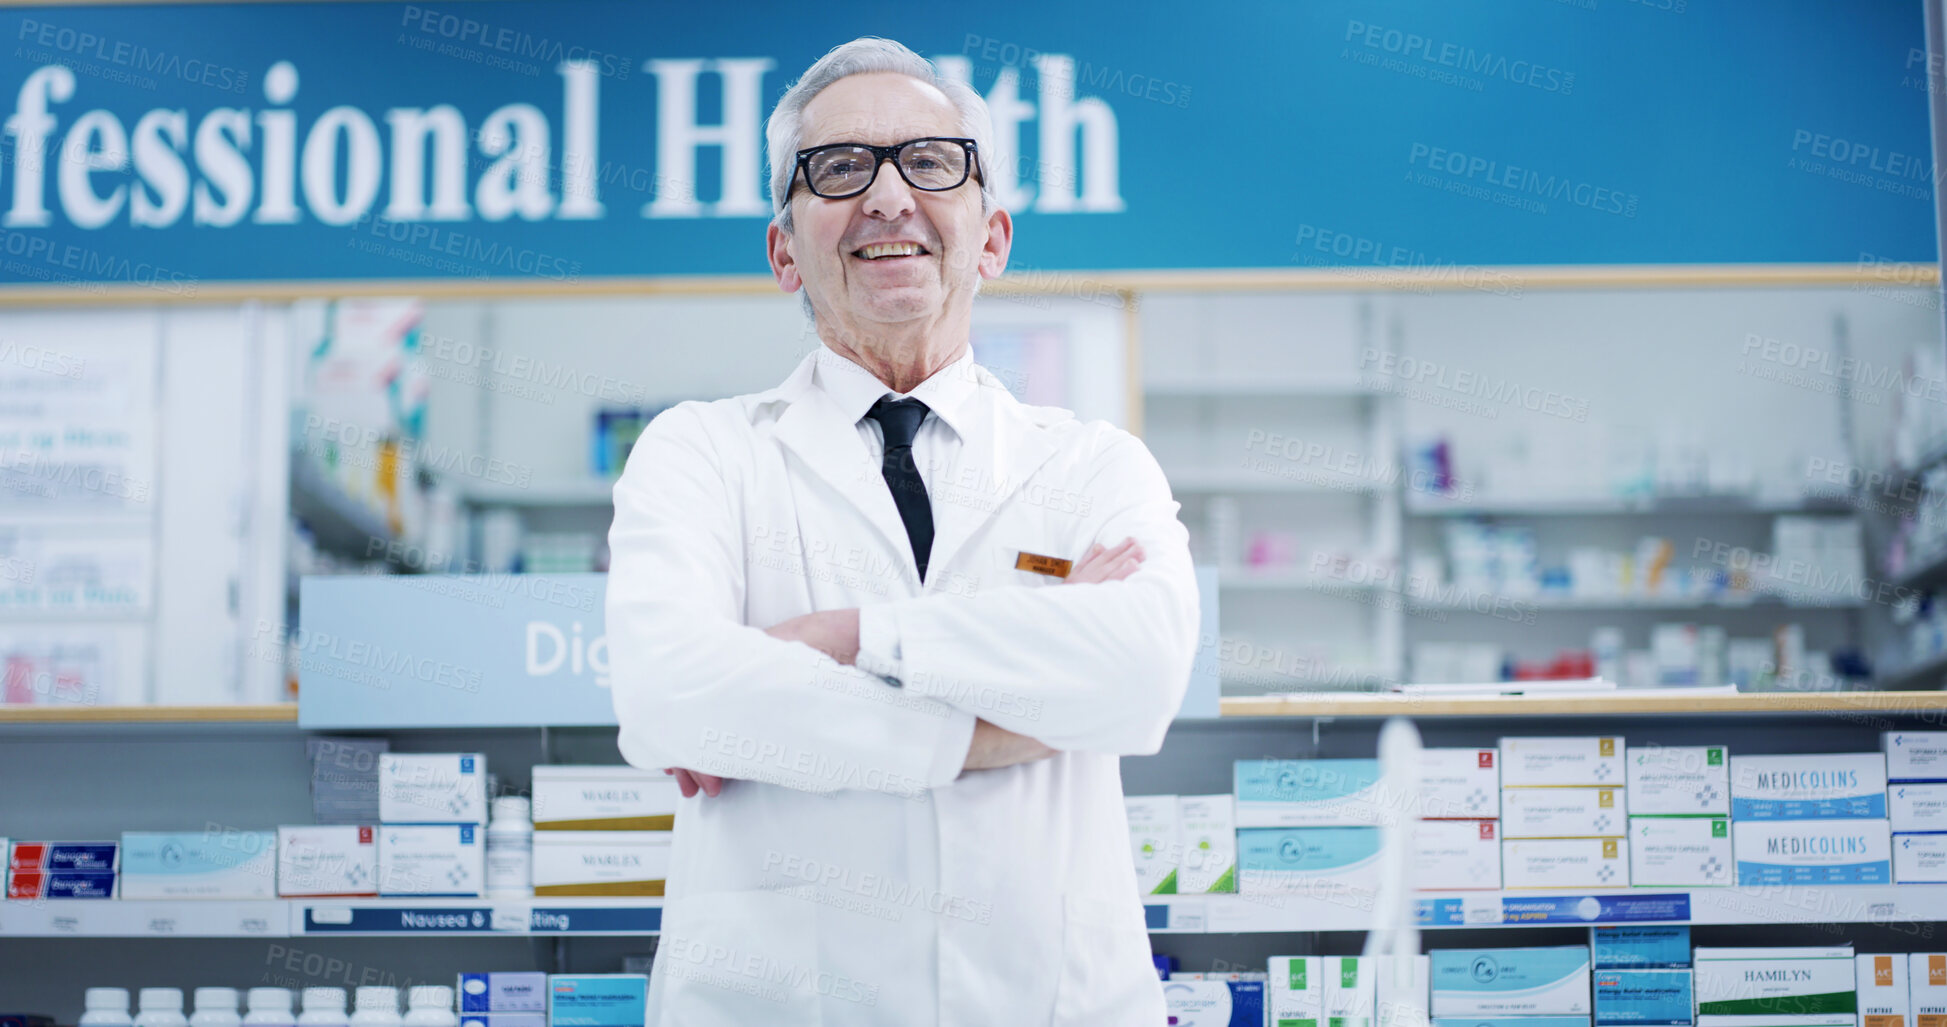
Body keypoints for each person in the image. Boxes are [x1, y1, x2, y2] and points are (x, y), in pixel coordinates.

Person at [606, 36, 1200, 1026]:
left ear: (993, 238)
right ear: (784, 250)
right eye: (840, 168)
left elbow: (1139, 677)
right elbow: (674, 693)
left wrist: (847, 638)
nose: (888, 198)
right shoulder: (700, 452)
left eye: (930, 162)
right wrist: (999, 723)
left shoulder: (1094, 465)